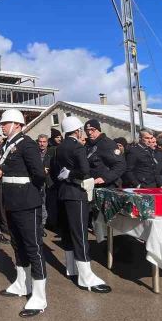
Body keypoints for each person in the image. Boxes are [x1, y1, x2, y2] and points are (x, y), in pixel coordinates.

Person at [0, 109, 48, 318]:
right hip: (12, 201)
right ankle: (21, 283)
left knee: (33, 246)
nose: (2, 126)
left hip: (27, 202)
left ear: (17, 124)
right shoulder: (8, 144)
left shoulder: (27, 144)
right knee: (17, 244)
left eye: (5, 123)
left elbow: (38, 174)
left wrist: (29, 194)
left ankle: (39, 296)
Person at [52, 117, 111, 293]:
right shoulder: (77, 146)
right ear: (77, 131)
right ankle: (86, 277)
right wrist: (71, 174)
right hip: (76, 193)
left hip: (62, 193)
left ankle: (72, 269)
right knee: (80, 234)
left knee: (68, 234)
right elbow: (85, 171)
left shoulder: (58, 148)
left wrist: (66, 174)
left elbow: (56, 171)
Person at [84, 120, 126, 188]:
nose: (89, 132)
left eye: (92, 129)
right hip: (92, 185)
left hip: (107, 186)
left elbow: (120, 165)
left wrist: (104, 178)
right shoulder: (88, 145)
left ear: (98, 130)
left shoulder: (107, 144)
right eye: (86, 130)